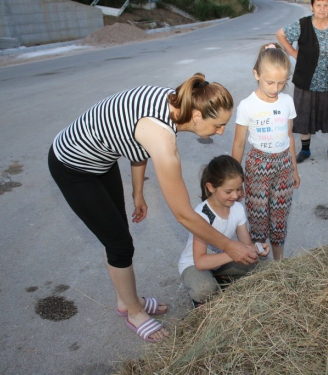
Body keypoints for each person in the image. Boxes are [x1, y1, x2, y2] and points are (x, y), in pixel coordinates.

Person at [48, 74, 259, 343]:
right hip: (72, 165)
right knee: (120, 244)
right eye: (218, 125)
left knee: (117, 232)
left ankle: (126, 300)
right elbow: (184, 214)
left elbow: (134, 138)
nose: (220, 132)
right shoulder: (162, 138)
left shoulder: (175, 101)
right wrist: (230, 247)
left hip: (102, 159)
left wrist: (138, 192)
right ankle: (133, 312)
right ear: (196, 116)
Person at [232, 43, 300, 261]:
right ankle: (260, 266)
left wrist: (294, 169)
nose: (275, 88)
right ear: (256, 74)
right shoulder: (247, 105)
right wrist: (235, 180)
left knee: (279, 219)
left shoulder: (287, 101)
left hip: (284, 166)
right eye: (270, 82)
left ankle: (279, 265)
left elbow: (289, 136)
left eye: (282, 82)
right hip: (257, 166)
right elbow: (239, 144)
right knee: (258, 219)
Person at [178, 155, 270, 307]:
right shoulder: (202, 215)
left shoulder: (237, 208)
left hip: (221, 262)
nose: (235, 195)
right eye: (229, 191)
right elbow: (200, 262)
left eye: (239, 189)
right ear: (211, 187)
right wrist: (232, 253)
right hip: (194, 265)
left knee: (263, 265)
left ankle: (220, 279)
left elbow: (245, 244)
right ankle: (202, 299)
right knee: (204, 289)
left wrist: (257, 248)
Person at [276, 0, 328, 164]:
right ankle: (305, 150)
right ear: (312, 7)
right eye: (318, 5)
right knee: (304, 115)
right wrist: (293, 52)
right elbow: (280, 34)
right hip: (306, 79)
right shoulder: (303, 24)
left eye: (325, 5)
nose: (322, 9)